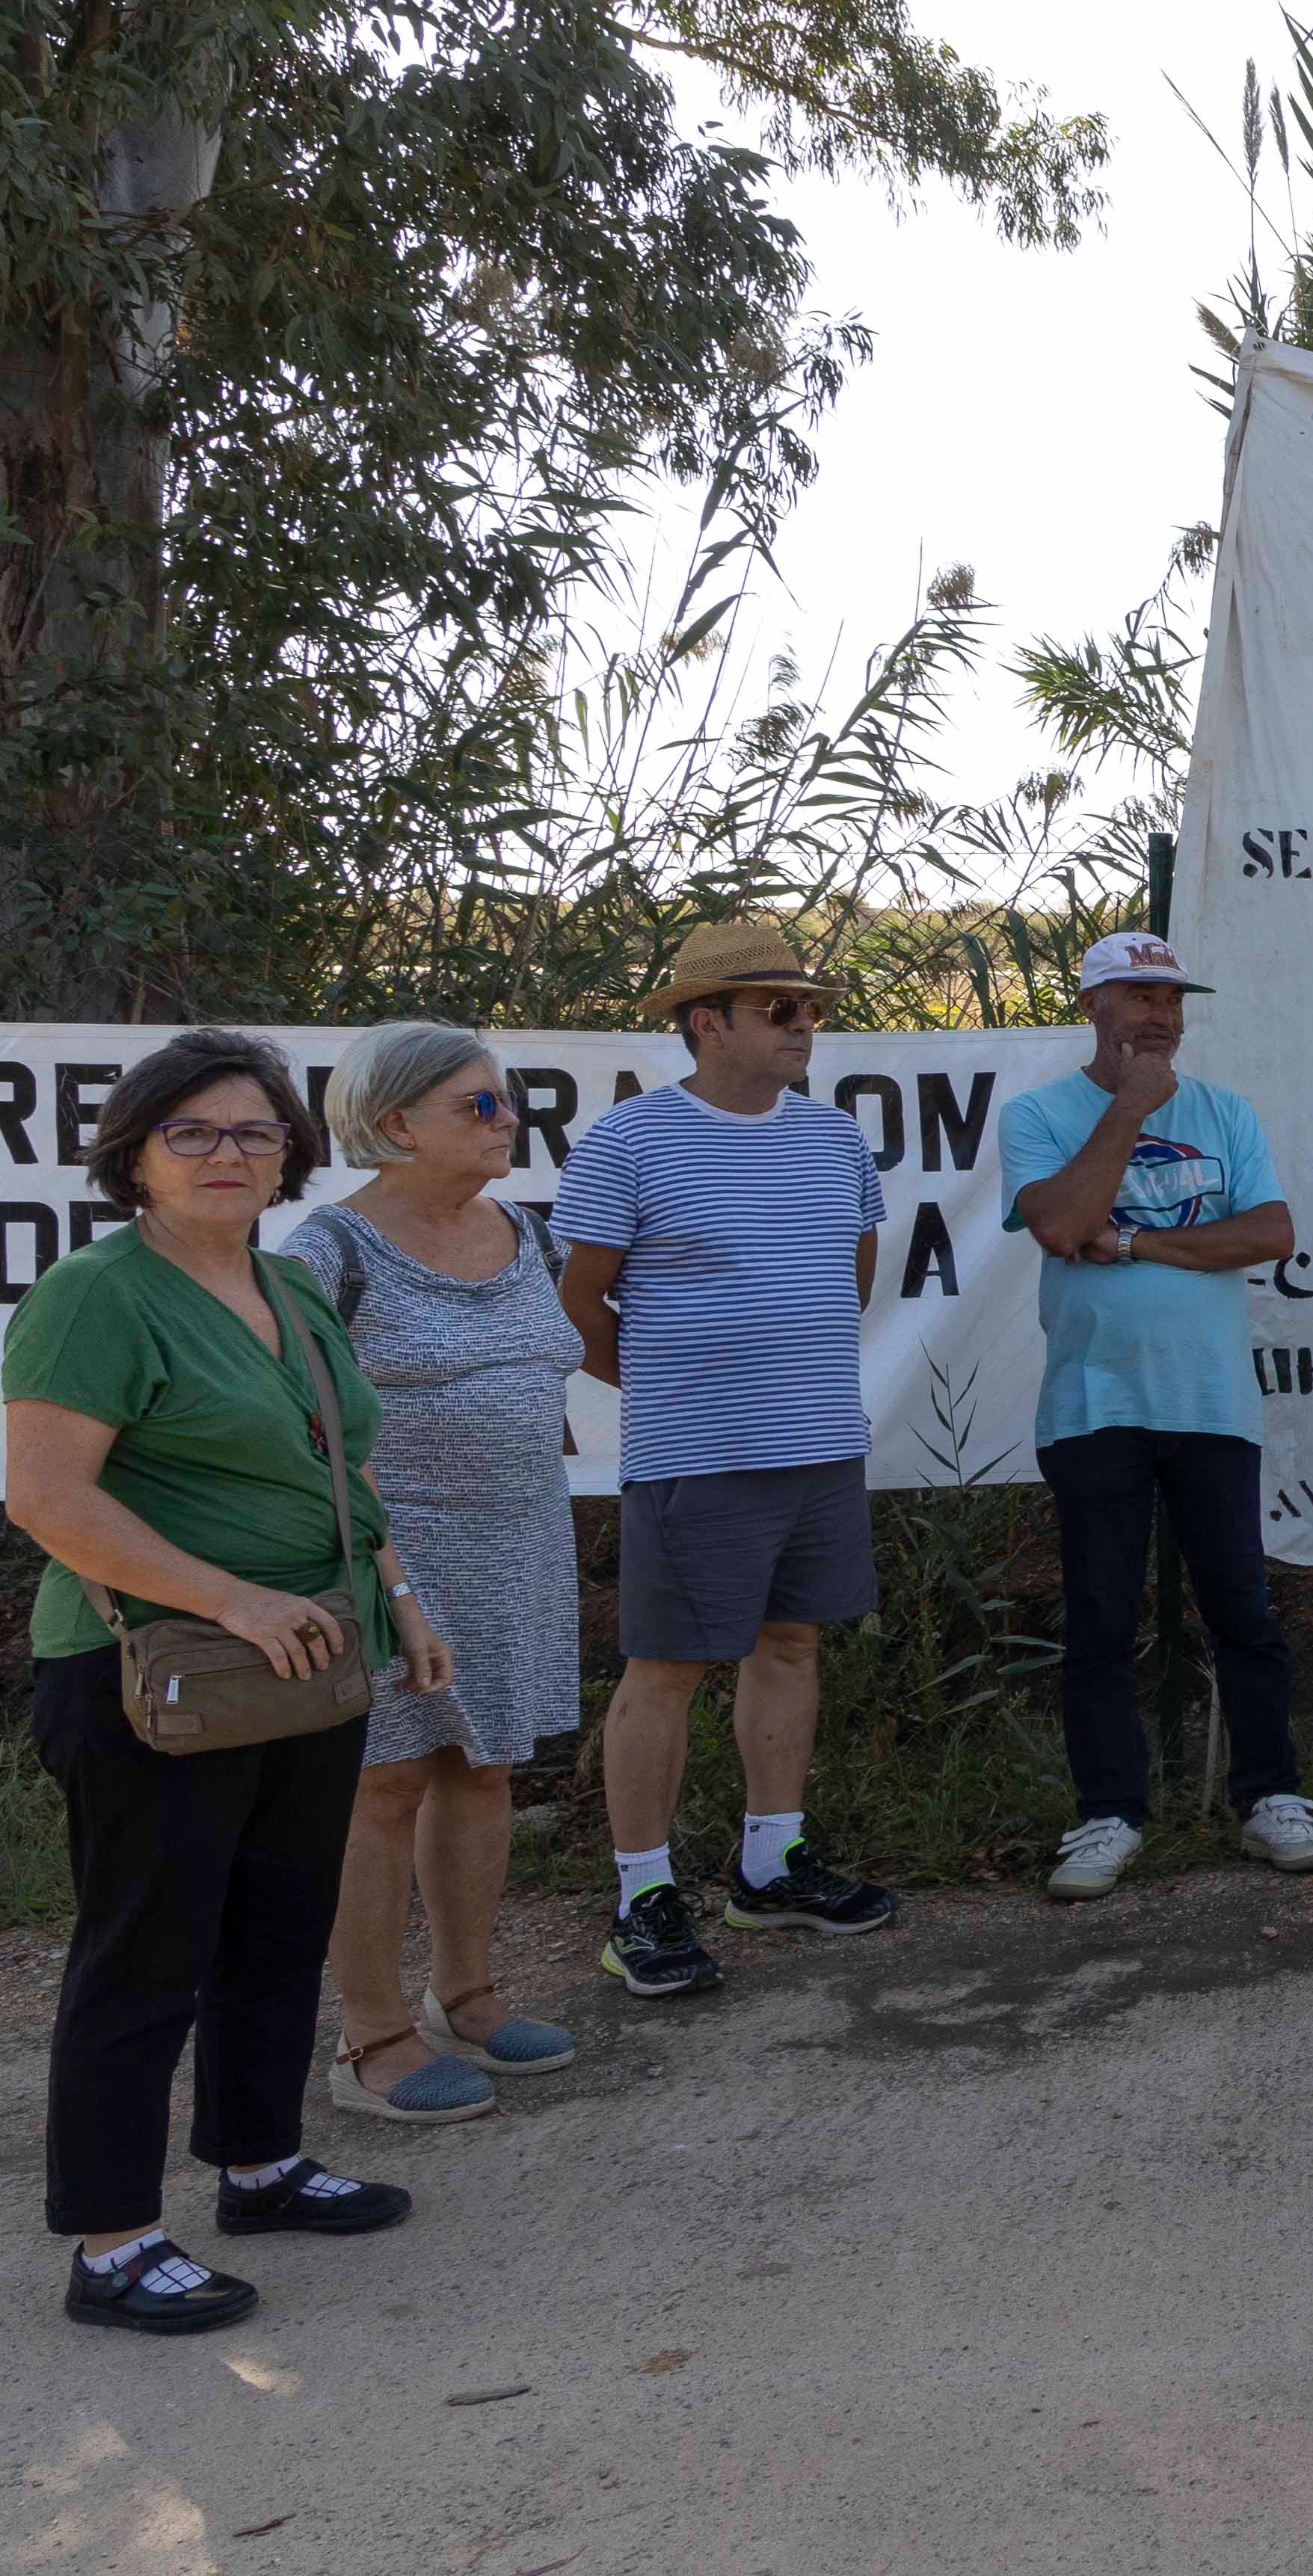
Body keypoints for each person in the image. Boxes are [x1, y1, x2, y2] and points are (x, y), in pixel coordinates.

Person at [7, 1031, 449, 2335]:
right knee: (145, 1950)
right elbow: (44, 1493)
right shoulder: (99, 1294)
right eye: (191, 1130)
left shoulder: (287, 1287)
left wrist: (402, 1597)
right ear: (134, 1151)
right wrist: (231, 1598)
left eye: (254, 1132)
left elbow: (344, 1467)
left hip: (309, 1659)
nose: (226, 1153)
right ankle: (114, 2238)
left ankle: (258, 2163)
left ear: (289, 1155)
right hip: (164, 1671)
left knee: (274, 1927)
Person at [553, 917, 900, 1999]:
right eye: (779, 1008)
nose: (805, 1026)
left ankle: (770, 1862)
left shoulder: (835, 1139)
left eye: (810, 1007)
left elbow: (850, 1279)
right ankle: (642, 1896)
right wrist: (675, 1391)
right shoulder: (629, 1142)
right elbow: (577, 1306)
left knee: (791, 1643)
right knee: (667, 1668)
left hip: (820, 1443)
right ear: (705, 1023)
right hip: (696, 1454)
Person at [287, 1023, 586, 2123]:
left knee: (488, 1768)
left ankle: (467, 1995)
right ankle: (369, 2041)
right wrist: (385, 1568)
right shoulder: (331, 1253)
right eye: (481, 1105)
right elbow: (302, 1427)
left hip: (518, 1544)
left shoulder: (528, 1232)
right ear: (395, 1122)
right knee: (381, 1786)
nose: (508, 1121)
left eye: (504, 1103)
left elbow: (543, 1370)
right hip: (389, 1553)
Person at [1002, 931, 1313, 1899]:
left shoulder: (1225, 1113)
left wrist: (1135, 1242)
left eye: (1173, 999)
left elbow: (1269, 1233)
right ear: (1094, 1006)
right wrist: (1131, 1114)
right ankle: (1109, 1816)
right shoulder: (1038, 1114)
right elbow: (1060, 1224)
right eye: (1141, 995)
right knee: (1103, 1618)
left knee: (1243, 1611)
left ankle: (1271, 1797)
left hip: (1211, 1402)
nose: (1162, 1015)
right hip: (1093, 1403)